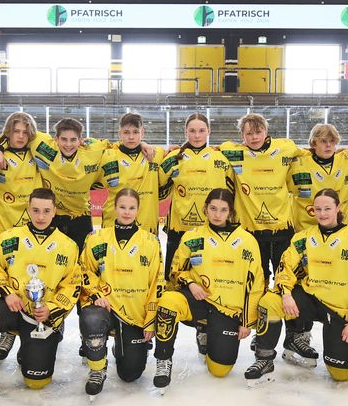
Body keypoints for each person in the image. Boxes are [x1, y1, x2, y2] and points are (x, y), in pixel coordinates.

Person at [0, 189, 82, 406]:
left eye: (46, 211)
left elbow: (72, 285)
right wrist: (6, 292)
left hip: (40, 316)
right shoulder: (9, 238)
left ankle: (35, 342)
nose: (40, 216)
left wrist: (51, 309)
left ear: (54, 211)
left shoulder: (68, 246)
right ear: (28, 209)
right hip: (10, 306)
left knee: (37, 381)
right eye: (35, 210)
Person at [248, 188, 348, 385]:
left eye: (327, 208)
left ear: (338, 208)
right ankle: (264, 359)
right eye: (318, 209)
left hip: (340, 310)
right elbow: (285, 267)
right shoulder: (303, 238)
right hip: (310, 299)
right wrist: (286, 294)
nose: (322, 213)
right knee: (270, 302)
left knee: (341, 374)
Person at [153, 189, 264, 392]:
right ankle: (163, 360)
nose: (217, 214)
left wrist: (246, 321)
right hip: (198, 301)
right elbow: (175, 271)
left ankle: (207, 330)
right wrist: (190, 283)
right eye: (213, 208)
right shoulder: (192, 237)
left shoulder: (248, 241)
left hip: (228, 310)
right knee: (168, 301)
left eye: (223, 210)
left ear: (230, 212)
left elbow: (256, 285)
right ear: (205, 209)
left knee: (220, 370)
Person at [79, 189, 163, 397]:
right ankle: (97, 369)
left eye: (131, 208)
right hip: (106, 307)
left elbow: (157, 282)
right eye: (122, 207)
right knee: (91, 318)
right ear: (114, 208)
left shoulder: (151, 242)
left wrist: (150, 319)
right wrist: (96, 294)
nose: (127, 212)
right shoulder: (97, 238)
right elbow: (84, 270)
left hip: (135, 313)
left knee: (130, 374)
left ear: (138, 210)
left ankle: (121, 347)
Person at [0, 117, 109, 252]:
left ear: (80, 140)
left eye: (73, 140)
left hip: (81, 217)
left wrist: (139, 144)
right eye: (64, 139)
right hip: (52, 216)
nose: (68, 144)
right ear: (55, 139)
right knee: (50, 258)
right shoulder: (43, 146)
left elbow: (113, 147)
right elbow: (11, 133)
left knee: (83, 258)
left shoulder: (93, 151)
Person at [218, 113, 300, 282]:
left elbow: (309, 152)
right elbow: (211, 150)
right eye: (249, 133)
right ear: (242, 136)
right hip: (250, 232)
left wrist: (338, 152)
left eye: (258, 132)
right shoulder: (234, 152)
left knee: (284, 277)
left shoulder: (285, 148)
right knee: (257, 279)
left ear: (266, 132)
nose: (254, 137)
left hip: (281, 229)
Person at [158, 112, 235, 279]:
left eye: (201, 130)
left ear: (209, 131)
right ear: (186, 132)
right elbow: (158, 188)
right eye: (192, 131)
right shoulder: (173, 158)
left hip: (212, 229)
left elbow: (232, 192)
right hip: (179, 228)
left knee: (207, 277)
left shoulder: (221, 159)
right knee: (173, 276)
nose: (197, 136)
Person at [290, 123, 348, 232]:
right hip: (307, 232)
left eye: (332, 141)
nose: (328, 145)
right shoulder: (297, 165)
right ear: (314, 143)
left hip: (343, 233)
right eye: (323, 141)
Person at [98, 112, 167, 235]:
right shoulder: (107, 156)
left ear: (142, 133)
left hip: (147, 227)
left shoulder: (156, 154)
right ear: (119, 134)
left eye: (135, 132)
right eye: (126, 132)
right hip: (113, 224)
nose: (131, 137)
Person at [0, 111, 44, 248]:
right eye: (16, 131)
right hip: (5, 223)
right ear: (8, 132)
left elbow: (48, 139)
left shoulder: (37, 154)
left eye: (25, 132)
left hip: (33, 221)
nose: (21, 136)